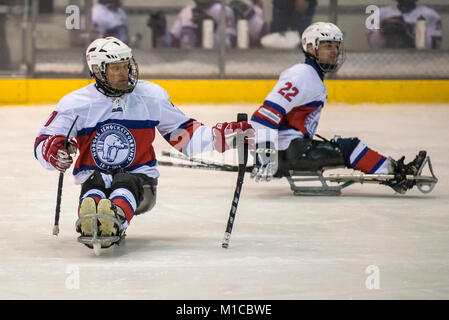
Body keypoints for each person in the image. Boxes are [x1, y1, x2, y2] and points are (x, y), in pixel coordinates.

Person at [34, 37, 253, 251]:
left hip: (141, 184)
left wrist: (221, 136)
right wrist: (53, 151)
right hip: (95, 175)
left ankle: (114, 220)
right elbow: (44, 140)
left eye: (125, 66)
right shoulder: (76, 104)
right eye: (115, 68)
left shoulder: (151, 97)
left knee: (125, 181)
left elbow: (184, 136)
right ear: (99, 71)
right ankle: (91, 219)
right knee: (96, 184)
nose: (124, 73)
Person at [250, 22, 428, 194]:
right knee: (349, 148)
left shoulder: (311, 76)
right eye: (327, 45)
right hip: (290, 151)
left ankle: (393, 170)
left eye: (336, 46)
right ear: (311, 48)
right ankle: (396, 175)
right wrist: (266, 158)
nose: (334, 51)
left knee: (344, 146)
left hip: (290, 150)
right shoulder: (302, 75)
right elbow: (263, 117)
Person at [367, 0, 442, 49]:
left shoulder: (430, 15)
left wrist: (411, 34)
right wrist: (382, 32)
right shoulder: (379, 14)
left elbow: (434, 46)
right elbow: (373, 46)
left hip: (418, 60)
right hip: (388, 59)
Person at [170, 0, 236, 48]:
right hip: (186, 61)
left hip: (211, 62)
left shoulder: (223, 11)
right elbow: (173, 40)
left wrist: (211, 33)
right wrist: (162, 33)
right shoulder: (186, 11)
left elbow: (230, 46)